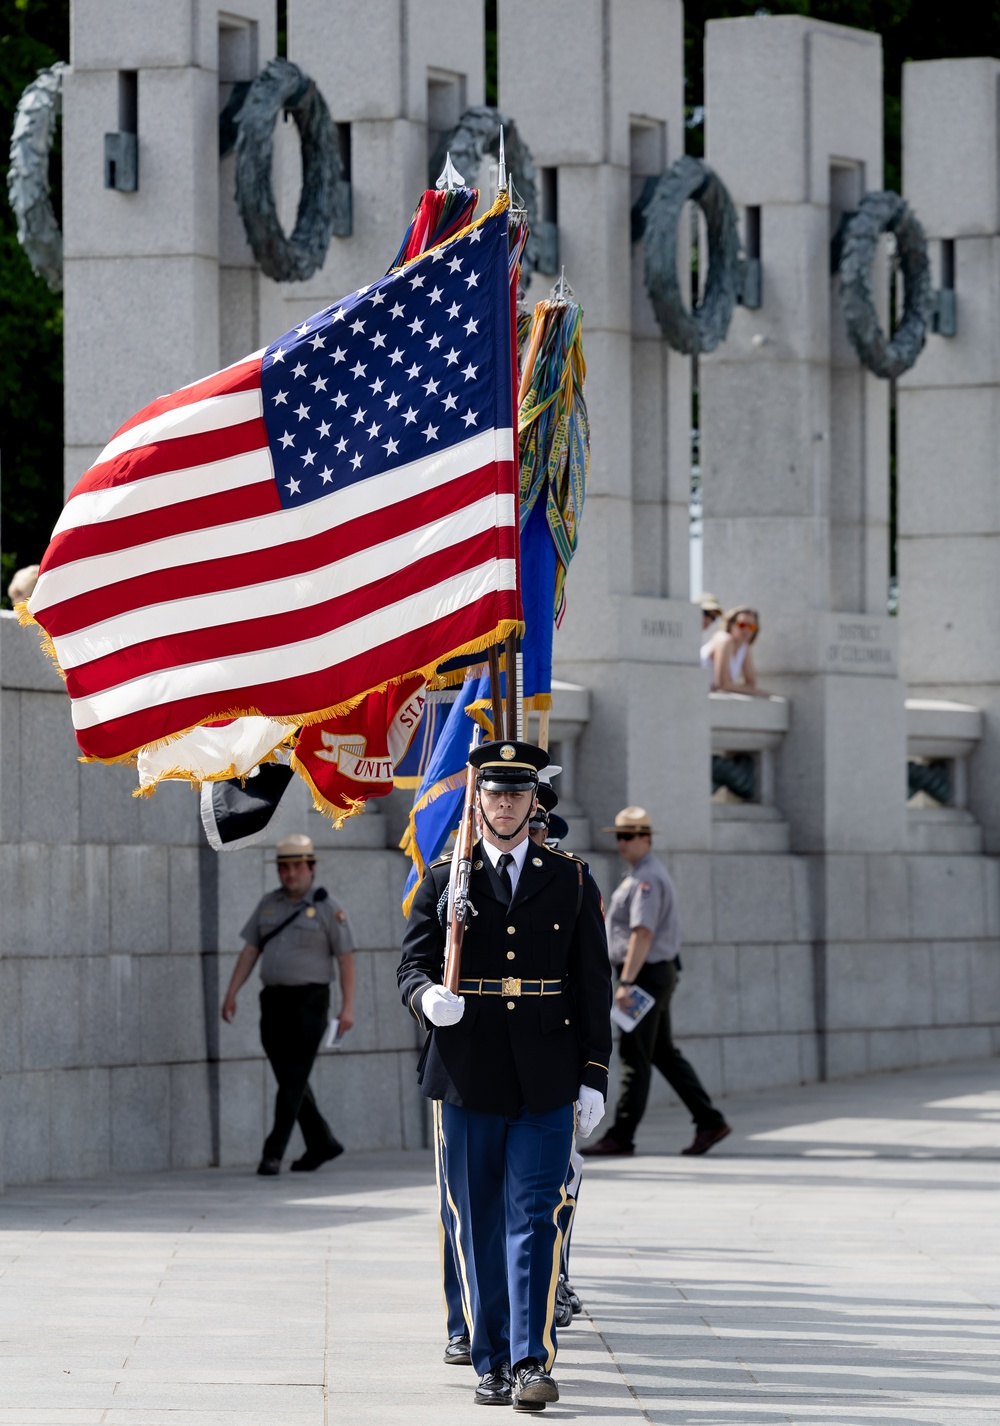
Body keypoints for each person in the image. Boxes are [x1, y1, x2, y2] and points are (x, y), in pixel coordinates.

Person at [398, 740, 612, 1411]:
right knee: (478, 1221)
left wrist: (595, 1076)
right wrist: (427, 997)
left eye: (519, 792)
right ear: (479, 799)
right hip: (466, 1070)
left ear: (533, 801)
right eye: (496, 792)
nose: (508, 803)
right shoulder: (445, 879)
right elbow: (410, 966)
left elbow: (592, 986)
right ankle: (487, 1357)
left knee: (536, 1219)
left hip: (547, 1070)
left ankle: (530, 1362)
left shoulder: (570, 878)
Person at [582, 807, 731, 1160]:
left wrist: (627, 982)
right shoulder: (639, 874)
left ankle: (622, 1135)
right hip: (650, 973)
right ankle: (709, 1120)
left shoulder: (647, 879)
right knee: (661, 1052)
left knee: (636, 1055)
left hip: (643, 974)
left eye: (630, 836)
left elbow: (642, 933)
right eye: (619, 836)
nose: (623, 843)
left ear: (646, 838)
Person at [222, 833, 356, 1176]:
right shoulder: (269, 904)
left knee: (294, 1075)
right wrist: (232, 992)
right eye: (284, 868)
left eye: (297, 866)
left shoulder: (329, 907)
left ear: (311, 868)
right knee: (290, 1077)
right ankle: (321, 1142)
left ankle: (272, 1153)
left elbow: (345, 959)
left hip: (310, 1001)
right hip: (274, 1001)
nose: (290, 874)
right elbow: (251, 950)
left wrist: (347, 1008)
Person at [701, 605, 771, 696]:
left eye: (751, 627)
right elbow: (723, 685)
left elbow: (751, 684)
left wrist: (749, 689)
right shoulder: (724, 639)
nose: (746, 630)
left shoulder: (744, 646)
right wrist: (756, 692)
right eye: (742, 625)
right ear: (730, 624)